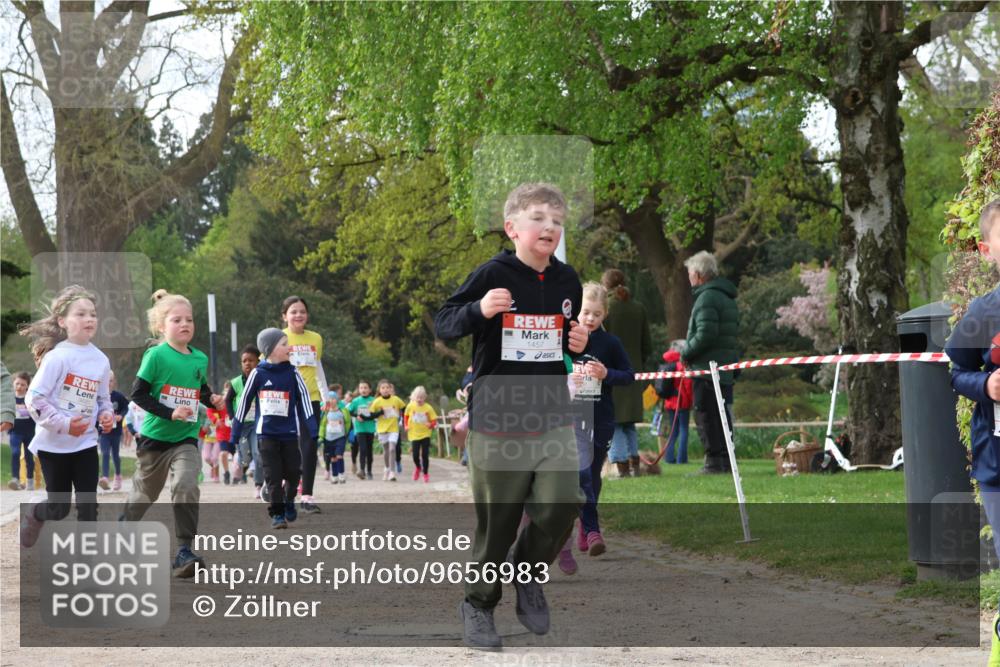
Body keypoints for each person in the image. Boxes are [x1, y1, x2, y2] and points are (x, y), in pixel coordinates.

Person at [435, 182, 588, 650]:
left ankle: (527, 572)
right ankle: (478, 605)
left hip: (550, 413)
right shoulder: (493, 273)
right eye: (539, 218)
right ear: (512, 228)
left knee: (565, 500)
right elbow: (445, 321)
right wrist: (479, 310)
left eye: (558, 221)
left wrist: (574, 344)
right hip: (498, 413)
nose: (550, 227)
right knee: (498, 522)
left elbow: (557, 341)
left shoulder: (568, 282)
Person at [121, 289, 226, 577]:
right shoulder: (156, 355)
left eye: (189, 320)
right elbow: (138, 395)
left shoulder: (199, 358)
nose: (184, 325)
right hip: (155, 439)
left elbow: (198, 390)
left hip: (186, 438)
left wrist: (211, 399)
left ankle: (184, 550)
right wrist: (170, 413)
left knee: (187, 483)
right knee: (145, 494)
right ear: (161, 326)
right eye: (176, 320)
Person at [944, 199, 1000, 661]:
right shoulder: (984, 313)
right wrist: (986, 382)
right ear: (987, 251)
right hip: (998, 466)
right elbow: (955, 372)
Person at [18, 286, 115, 548]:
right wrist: (63, 424)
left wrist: (107, 415)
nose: (89, 319)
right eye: (81, 314)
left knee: (88, 508)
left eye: (93, 314)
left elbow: (104, 400)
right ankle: (36, 513)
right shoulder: (57, 358)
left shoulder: (100, 360)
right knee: (59, 508)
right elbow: (34, 399)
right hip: (53, 446)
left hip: (85, 444)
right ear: (62, 321)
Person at [557, 282, 634, 575]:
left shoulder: (610, 344)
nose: (590, 319)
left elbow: (628, 375)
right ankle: (593, 531)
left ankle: (584, 527)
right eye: (586, 312)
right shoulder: (564, 341)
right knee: (580, 473)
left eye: (597, 314)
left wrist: (606, 373)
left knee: (592, 475)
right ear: (577, 310)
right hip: (571, 417)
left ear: (605, 315)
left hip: (601, 418)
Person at [232, 328, 318, 529]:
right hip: (266, 434)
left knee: (293, 473)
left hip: (289, 434)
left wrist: (312, 429)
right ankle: (277, 514)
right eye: (284, 344)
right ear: (270, 349)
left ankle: (289, 500)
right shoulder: (258, 374)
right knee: (273, 475)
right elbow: (244, 402)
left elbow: (304, 400)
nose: (289, 348)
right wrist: (235, 431)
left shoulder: (293, 372)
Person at [681, 251, 740, 474]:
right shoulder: (726, 296)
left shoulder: (706, 297)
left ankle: (714, 461)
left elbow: (706, 333)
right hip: (724, 367)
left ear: (697, 275)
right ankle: (725, 460)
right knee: (722, 415)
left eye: (689, 273)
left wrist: (686, 352)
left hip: (706, 368)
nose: (688, 278)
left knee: (706, 414)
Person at [281, 296, 331, 514]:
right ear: (285, 316)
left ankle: (307, 496)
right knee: (286, 445)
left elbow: (317, 366)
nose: (298, 315)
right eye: (293, 311)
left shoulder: (316, 338)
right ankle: (279, 485)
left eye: (302, 311)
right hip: (285, 399)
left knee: (310, 445)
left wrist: (325, 394)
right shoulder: (278, 337)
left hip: (310, 399)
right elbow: (267, 368)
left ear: (307, 315)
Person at [601, 268, 652, 477]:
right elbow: (646, 345)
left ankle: (621, 467)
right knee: (628, 421)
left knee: (614, 420)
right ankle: (635, 465)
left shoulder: (606, 309)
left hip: (611, 371)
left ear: (606, 286)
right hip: (633, 370)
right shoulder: (638, 308)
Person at [225, 344, 263, 497]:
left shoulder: (262, 379)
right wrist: (232, 417)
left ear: (258, 362)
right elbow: (228, 400)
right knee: (245, 458)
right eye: (244, 361)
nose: (247, 363)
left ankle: (259, 485)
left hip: (256, 424)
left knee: (257, 453)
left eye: (251, 360)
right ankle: (240, 463)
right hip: (241, 424)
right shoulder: (236, 382)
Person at [659, 341, 693, 464]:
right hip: (682, 401)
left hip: (669, 402)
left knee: (673, 431)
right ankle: (682, 459)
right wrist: (691, 401)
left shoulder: (668, 363)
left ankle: (669, 458)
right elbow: (688, 386)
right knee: (684, 430)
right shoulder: (681, 365)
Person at [98, 371, 129, 490]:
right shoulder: (99, 397)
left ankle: (117, 476)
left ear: (114, 382)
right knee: (105, 453)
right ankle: (105, 477)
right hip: (104, 432)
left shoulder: (118, 396)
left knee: (115, 455)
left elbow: (126, 407)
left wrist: (121, 415)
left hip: (116, 432)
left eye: (110, 381)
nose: (108, 383)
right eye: (106, 381)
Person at [370, 379, 406, 481]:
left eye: (387, 387)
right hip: (382, 429)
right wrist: (379, 413)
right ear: (379, 390)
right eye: (383, 388)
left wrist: (404, 419)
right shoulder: (377, 401)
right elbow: (371, 415)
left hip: (393, 428)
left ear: (390, 389)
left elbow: (405, 409)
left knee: (392, 449)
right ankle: (387, 468)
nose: (385, 390)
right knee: (386, 450)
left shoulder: (396, 399)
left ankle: (392, 472)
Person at [9, 371, 36, 490]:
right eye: (17, 384)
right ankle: (15, 479)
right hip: (15, 431)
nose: (19, 387)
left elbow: (37, 414)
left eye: (22, 384)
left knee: (29, 457)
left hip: (29, 432)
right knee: (15, 453)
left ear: (27, 386)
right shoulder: (9, 399)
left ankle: (30, 480)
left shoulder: (30, 399)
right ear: (13, 384)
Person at [404, 385, 438, 483]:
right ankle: (418, 468)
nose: (419, 399)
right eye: (417, 397)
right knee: (415, 455)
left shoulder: (428, 408)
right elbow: (406, 416)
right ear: (414, 397)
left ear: (425, 397)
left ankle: (426, 473)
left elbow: (434, 421)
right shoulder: (410, 406)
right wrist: (406, 425)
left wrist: (430, 424)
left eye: (421, 397)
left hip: (425, 434)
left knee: (424, 455)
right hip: (414, 434)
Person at [320, 385, 351, 484]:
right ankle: (334, 475)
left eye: (333, 399)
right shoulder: (326, 413)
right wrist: (321, 437)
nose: (331, 401)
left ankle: (341, 474)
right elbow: (323, 426)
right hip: (328, 438)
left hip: (340, 437)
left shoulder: (343, 411)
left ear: (337, 400)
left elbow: (348, 422)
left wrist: (346, 433)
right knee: (332, 458)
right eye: (329, 399)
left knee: (339, 456)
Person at [348, 381, 377, 480]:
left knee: (369, 450)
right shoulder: (356, 401)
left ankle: (369, 471)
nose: (363, 390)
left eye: (365, 388)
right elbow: (349, 411)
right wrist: (357, 416)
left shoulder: (373, 400)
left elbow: (376, 413)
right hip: (359, 429)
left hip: (370, 428)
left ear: (369, 390)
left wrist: (371, 416)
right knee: (363, 449)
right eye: (361, 388)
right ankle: (362, 470)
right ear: (359, 390)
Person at [208, 397, 233, 484]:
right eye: (217, 405)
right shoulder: (215, 410)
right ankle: (226, 473)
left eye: (221, 403)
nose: (220, 405)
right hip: (222, 435)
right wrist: (216, 420)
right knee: (223, 454)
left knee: (239, 457)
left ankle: (242, 472)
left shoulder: (230, 404)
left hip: (234, 434)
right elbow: (209, 411)